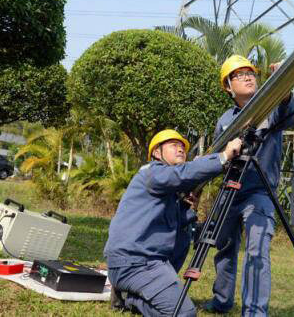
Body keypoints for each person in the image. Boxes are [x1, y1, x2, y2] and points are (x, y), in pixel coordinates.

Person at [104, 129, 243, 316]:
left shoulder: (167, 189)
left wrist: (187, 210)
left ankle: (133, 294)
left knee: (184, 234)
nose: (180, 149)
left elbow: (169, 229)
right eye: (173, 145)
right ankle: (131, 297)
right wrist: (223, 157)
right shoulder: (152, 172)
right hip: (133, 263)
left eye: (182, 147)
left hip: (146, 261)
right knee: (184, 313)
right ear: (156, 153)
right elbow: (183, 174)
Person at [204, 55, 294, 316]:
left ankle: (254, 312)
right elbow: (218, 157)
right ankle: (221, 301)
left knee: (257, 251)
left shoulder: (269, 106)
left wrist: (283, 87)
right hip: (230, 190)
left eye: (250, 72)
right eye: (239, 74)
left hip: (260, 192)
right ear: (229, 87)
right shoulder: (225, 120)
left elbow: (287, 115)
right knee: (223, 247)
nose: (248, 76)